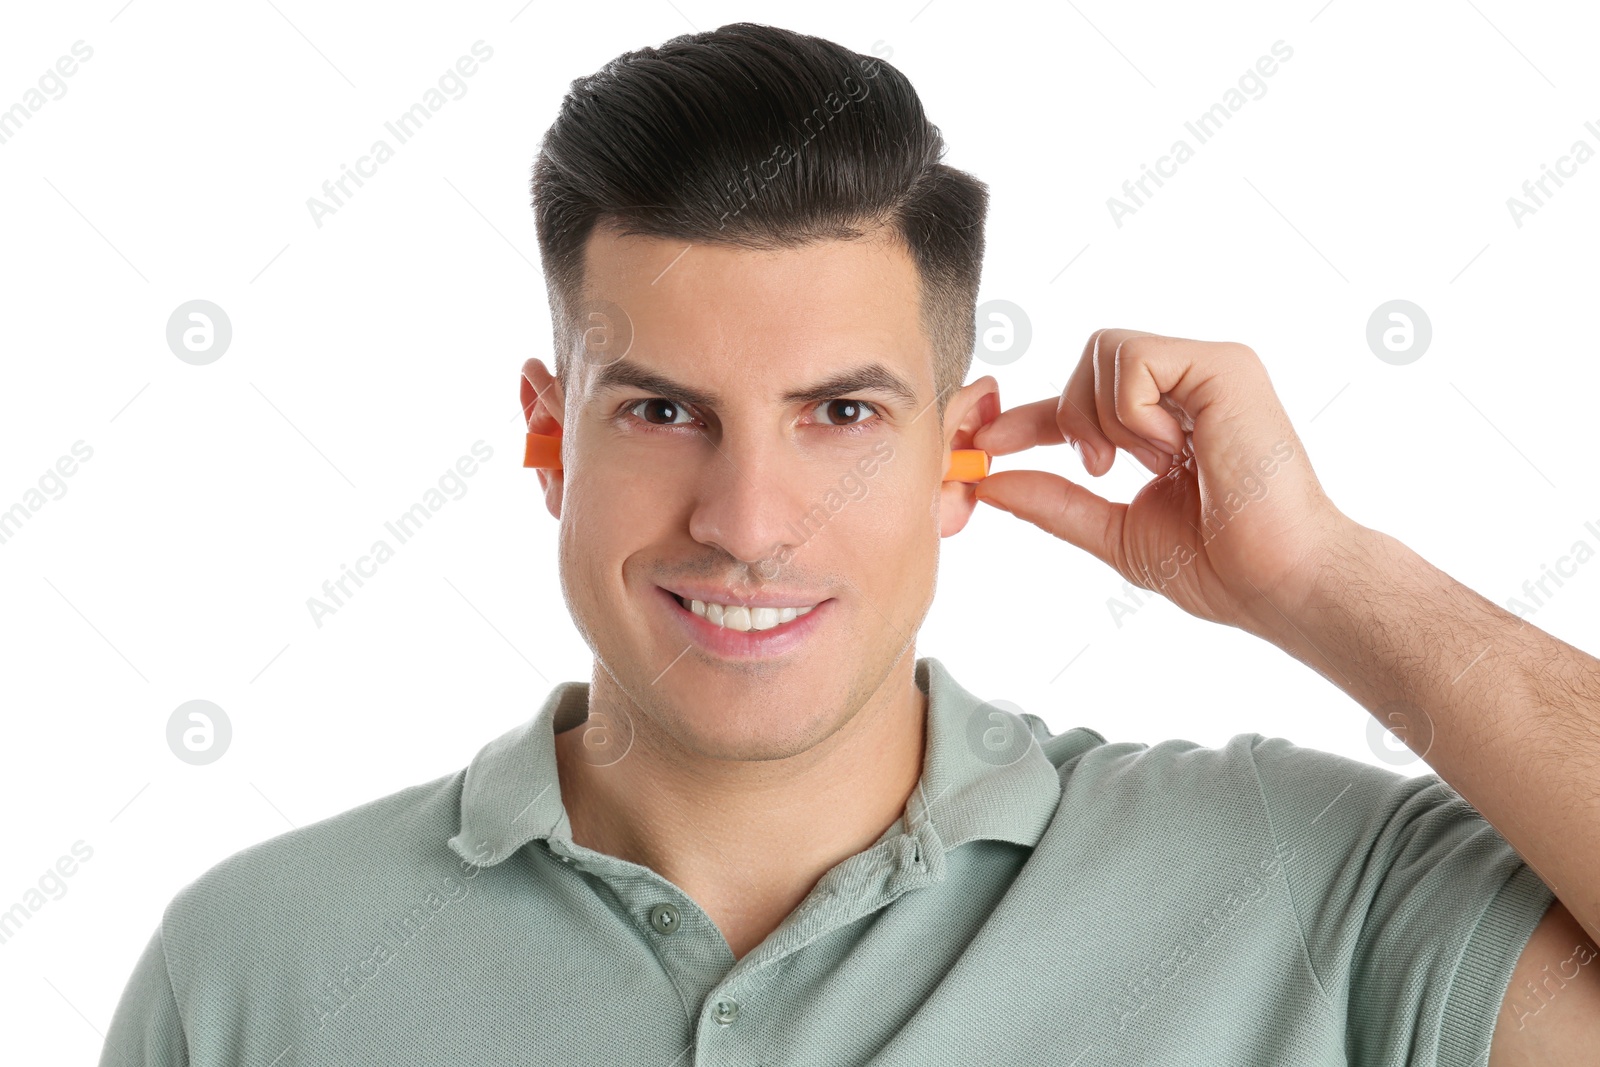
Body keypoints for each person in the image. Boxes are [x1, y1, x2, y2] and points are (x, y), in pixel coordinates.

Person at [100, 22, 1599, 1066]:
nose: (748, 525)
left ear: (965, 448)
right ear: (548, 436)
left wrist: (1320, 579)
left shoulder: (1297, 884)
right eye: (667, 411)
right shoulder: (252, 971)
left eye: (839, 414)